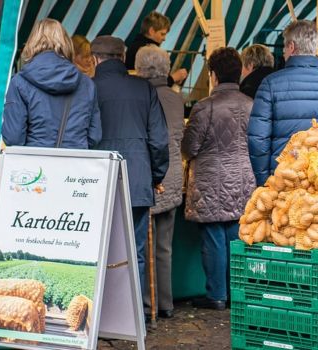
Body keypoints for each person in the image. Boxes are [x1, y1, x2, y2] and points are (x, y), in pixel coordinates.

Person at [90, 36, 170, 307]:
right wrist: (155, 177)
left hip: (94, 182)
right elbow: (159, 140)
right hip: (136, 180)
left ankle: (100, 317)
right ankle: (134, 316)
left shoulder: (87, 89)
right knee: (135, 252)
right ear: (123, 58)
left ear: (93, 59)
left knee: (95, 250)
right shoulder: (144, 89)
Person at [182, 47, 257, 310]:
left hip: (210, 182)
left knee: (213, 238)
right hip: (243, 181)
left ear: (213, 75)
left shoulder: (204, 108)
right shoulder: (251, 105)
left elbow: (189, 147)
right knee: (236, 237)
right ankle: (237, 291)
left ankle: (216, 294)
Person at [247, 20, 318, 185]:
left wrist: (265, 181)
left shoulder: (270, 84)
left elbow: (258, 140)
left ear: (291, 47)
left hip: (283, 180)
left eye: (284, 48)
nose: (284, 52)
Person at [135, 45, 183, 320]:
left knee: (143, 245)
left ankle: (146, 302)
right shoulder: (175, 99)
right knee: (164, 246)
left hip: (151, 177)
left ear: (140, 69)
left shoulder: (141, 97)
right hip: (174, 177)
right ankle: (166, 303)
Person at [2, 19, 100, 150]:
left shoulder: (19, 82)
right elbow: (94, 136)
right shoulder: (87, 84)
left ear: (32, 42)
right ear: (66, 43)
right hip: (76, 164)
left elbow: (14, 137)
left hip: (35, 165)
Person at [125, 12, 188, 86]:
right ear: (151, 31)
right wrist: (173, 78)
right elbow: (152, 83)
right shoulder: (146, 50)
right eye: (162, 34)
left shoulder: (135, 45)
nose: (164, 38)